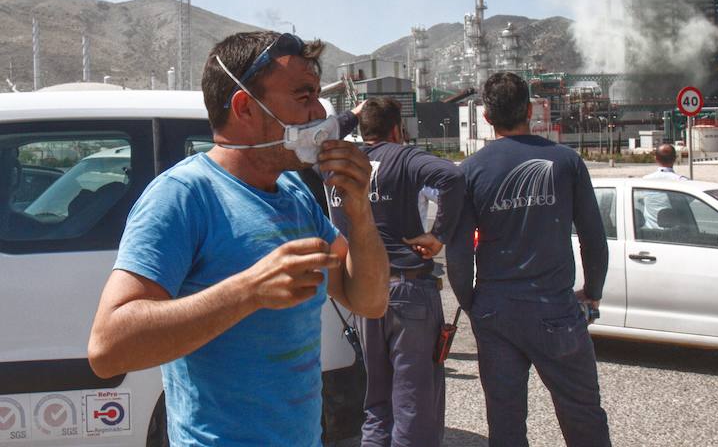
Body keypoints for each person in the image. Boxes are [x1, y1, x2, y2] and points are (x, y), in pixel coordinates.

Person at [87, 31, 389, 447]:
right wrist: (248, 291)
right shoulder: (184, 196)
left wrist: (359, 211)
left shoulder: (295, 194)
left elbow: (369, 300)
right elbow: (107, 349)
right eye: (303, 96)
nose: (319, 111)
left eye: (317, 95)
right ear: (245, 106)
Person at [446, 72, 612, 447]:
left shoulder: (470, 171)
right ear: (531, 109)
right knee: (582, 412)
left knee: (505, 423)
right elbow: (593, 238)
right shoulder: (566, 161)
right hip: (555, 307)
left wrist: (473, 304)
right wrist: (593, 292)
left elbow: (458, 251)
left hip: (496, 311)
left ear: (486, 117)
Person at [330, 97, 465, 447]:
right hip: (408, 292)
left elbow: (317, 139)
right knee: (414, 405)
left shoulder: (338, 165)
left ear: (362, 127)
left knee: (377, 404)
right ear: (397, 129)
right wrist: (439, 236)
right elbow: (451, 176)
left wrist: (349, 118)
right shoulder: (402, 157)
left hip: (362, 295)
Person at [640, 143, 687, 230]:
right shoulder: (683, 182)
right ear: (675, 158)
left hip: (649, 234)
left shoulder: (645, 181)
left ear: (656, 159)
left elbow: (642, 199)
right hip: (676, 235)